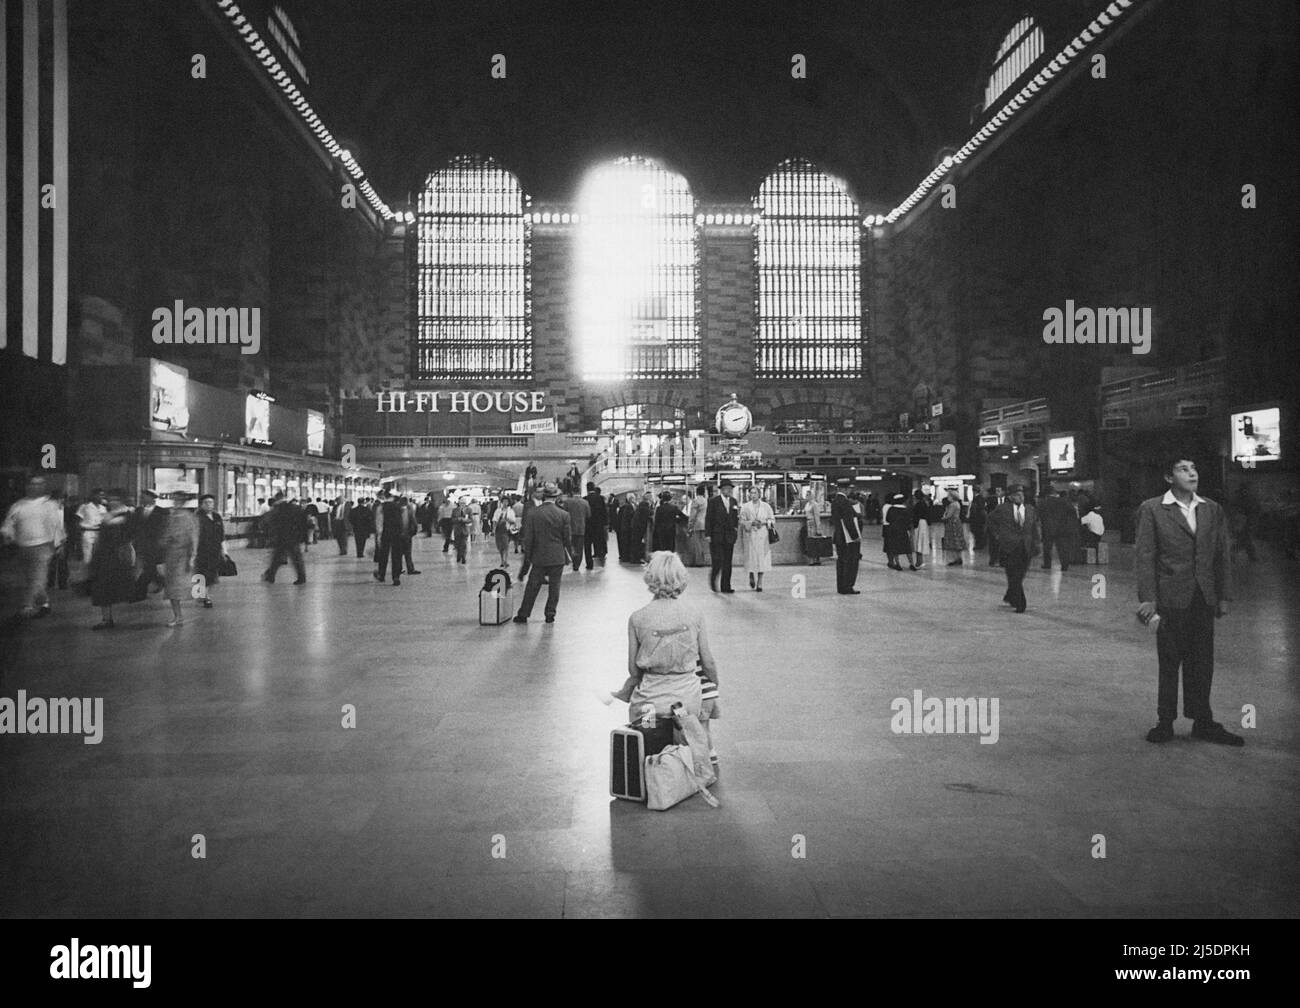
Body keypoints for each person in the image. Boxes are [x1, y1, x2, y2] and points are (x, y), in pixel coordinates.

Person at [1136, 456, 1239, 746]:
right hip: (1170, 598)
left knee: (1202, 662)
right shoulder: (1153, 509)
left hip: (1202, 598)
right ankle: (1165, 721)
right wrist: (1148, 600)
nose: (1192, 473)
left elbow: (1222, 555)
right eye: (1183, 469)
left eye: (1194, 468)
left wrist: (1223, 595)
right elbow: (1145, 557)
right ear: (1169, 478)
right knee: (1170, 662)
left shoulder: (1211, 509)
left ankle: (1202, 721)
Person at [616, 551, 720, 766]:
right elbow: (708, 661)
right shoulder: (695, 614)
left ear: (650, 578)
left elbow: (633, 671)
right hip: (687, 701)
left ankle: (650, 757)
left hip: (649, 703)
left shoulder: (637, 617)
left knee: (645, 728)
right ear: (681, 579)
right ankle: (690, 759)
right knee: (691, 729)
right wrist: (714, 683)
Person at [1, 476, 66, 619]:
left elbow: (57, 526)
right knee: (30, 578)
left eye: (39, 484)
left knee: (38, 576)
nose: (36, 487)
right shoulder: (18, 505)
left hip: (43, 545)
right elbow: (9, 523)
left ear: (43, 486)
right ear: (27, 486)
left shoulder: (50, 505)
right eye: (33, 484)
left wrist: (59, 544)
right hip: (23, 546)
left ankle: (27, 606)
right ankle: (45, 603)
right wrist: (7, 534)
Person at [513, 483, 572, 624]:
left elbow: (529, 538)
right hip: (557, 556)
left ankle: (524, 614)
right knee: (555, 586)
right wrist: (569, 553)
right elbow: (567, 538)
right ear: (556, 497)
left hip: (539, 556)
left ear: (544, 496)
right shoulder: (564, 514)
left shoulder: (533, 513)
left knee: (532, 586)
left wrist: (529, 556)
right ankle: (550, 614)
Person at [88, 490, 138, 630]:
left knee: (109, 585)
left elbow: (130, 535)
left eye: (115, 499)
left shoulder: (127, 515)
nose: (111, 501)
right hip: (104, 555)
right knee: (102, 586)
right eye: (110, 499)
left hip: (117, 555)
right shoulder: (109, 515)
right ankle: (106, 618)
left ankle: (107, 618)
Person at [987, 485, 1039, 613]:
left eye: (1021, 494)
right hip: (1009, 547)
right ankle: (1021, 603)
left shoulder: (1030, 509)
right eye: (1016, 494)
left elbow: (1034, 527)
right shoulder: (1002, 509)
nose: (1020, 496)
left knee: (1020, 575)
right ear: (1010, 497)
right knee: (1013, 575)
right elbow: (990, 520)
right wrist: (998, 535)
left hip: (1025, 547)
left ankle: (1010, 595)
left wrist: (1036, 542)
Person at [159, 489, 200, 625]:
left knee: (177, 586)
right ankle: (177, 616)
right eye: (174, 499)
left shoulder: (188, 517)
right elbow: (166, 535)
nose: (175, 502)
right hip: (171, 555)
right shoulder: (172, 515)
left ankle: (178, 616)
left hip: (182, 556)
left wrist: (192, 556)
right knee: (172, 587)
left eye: (178, 499)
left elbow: (193, 537)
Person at [262, 493, 308, 586]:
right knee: (296, 558)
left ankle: (270, 576)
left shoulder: (277, 509)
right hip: (293, 537)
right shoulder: (295, 508)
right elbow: (303, 521)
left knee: (277, 558)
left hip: (281, 537)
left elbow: (269, 522)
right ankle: (301, 577)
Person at [705, 479, 740, 593]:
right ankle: (713, 580)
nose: (729, 491)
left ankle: (726, 586)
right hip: (717, 535)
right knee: (718, 560)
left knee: (728, 562)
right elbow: (708, 518)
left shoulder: (734, 502)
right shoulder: (713, 501)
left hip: (729, 536)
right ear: (721, 490)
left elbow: (735, 517)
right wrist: (708, 534)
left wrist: (735, 529)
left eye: (730, 489)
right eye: (726, 489)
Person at [739, 485, 775, 591]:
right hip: (750, 535)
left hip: (762, 535)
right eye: (751, 493)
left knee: (761, 558)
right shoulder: (745, 507)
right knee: (751, 557)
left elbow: (772, 519)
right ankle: (751, 575)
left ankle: (760, 581)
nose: (753, 495)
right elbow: (741, 521)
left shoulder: (766, 506)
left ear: (759, 494)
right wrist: (751, 523)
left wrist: (764, 522)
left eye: (755, 493)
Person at [194, 493, 227, 609]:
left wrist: (224, 550)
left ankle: (203, 594)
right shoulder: (198, 517)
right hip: (201, 550)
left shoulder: (217, 517)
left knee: (212, 574)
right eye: (206, 502)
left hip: (215, 550)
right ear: (201, 504)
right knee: (202, 573)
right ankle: (205, 596)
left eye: (211, 502)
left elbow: (221, 534)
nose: (209, 505)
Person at [829, 485, 863, 593]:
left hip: (839, 537)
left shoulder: (834, 501)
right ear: (844, 489)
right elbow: (849, 521)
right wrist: (855, 536)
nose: (850, 491)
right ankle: (848, 586)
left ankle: (841, 587)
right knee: (851, 562)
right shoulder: (845, 502)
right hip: (847, 538)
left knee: (841, 561)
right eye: (849, 489)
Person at [1037, 487, 1074, 571]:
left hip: (1048, 528)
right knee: (1062, 547)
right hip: (1062, 528)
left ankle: (1047, 564)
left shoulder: (1043, 503)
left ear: (1046, 494)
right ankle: (1064, 565)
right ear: (1054, 493)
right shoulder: (1064, 501)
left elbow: (1039, 515)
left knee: (1047, 548)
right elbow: (1072, 512)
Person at [557, 486, 591, 572]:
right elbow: (588, 515)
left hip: (570, 528)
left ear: (572, 492)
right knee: (579, 548)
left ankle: (572, 560)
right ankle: (577, 565)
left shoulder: (567, 502)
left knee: (571, 546)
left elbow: (563, 514)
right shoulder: (585, 502)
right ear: (580, 492)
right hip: (581, 528)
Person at [882, 492, 913, 570]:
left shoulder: (891, 509)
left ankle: (898, 564)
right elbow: (909, 521)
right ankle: (911, 563)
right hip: (903, 531)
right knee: (907, 548)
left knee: (895, 548)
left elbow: (887, 519)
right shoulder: (906, 509)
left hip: (893, 530)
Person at [1229, 484, 1260, 562]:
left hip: (1244, 520)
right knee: (1245, 539)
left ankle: (1250, 555)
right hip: (1243, 520)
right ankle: (1250, 556)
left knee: (1245, 539)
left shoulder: (1241, 498)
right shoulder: (1242, 499)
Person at [652, 490, 688, 554]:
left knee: (662, 547)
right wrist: (676, 520)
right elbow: (683, 517)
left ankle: (663, 561)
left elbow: (657, 520)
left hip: (661, 530)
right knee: (671, 547)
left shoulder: (659, 508)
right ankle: (670, 561)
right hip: (671, 530)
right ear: (670, 499)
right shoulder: (674, 508)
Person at [584, 482, 608, 569]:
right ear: (594, 488)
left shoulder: (585, 499)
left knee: (587, 545)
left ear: (587, 489)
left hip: (588, 526)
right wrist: (605, 524)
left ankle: (589, 564)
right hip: (599, 525)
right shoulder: (600, 498)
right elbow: (605, 512)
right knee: (599, 543)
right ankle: (601, 562)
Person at [686, 483, 710, 567]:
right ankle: (704, 561)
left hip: (697, 524)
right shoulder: (706, 501)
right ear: (704, 492)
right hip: (706, 524)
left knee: (697, 544)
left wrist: (689, 526)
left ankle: (699, 562)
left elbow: (693, 515)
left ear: (696, 492)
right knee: (703, 544)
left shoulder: (696, 501)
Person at [941, 489, 965, 566]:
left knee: (952, 540)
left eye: (949, 496)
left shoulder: (952, 505)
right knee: (957, 540)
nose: (948, 497)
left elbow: (948, 515)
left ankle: (954, 559)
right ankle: (958, 557)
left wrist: (943, 517)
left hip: (952, 524)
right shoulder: (957, 504)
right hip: (957, 522)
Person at [910, 490, 931, 570]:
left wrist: (913, 525)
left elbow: (916, 516)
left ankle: (919, 561)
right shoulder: (924, 503)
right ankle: (920, 560)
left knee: (918, 542)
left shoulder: (918, 505)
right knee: (921, 541)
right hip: (924, 523)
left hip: (919, 523)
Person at [493, 497, 517, 568]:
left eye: (506, 502)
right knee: (500, 547)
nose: (505, 503)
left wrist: (507, 519)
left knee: (506, 545)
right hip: (498, 530)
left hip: (506, 530)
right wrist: (494, 529)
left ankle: (505, 561)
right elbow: (494, 520)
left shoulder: (511, 511)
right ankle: (502, 560)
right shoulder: (498, 511)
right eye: (504, 501)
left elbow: (513, 521)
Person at [986, 486, 1006, 566]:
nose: (997, 493)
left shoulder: (1008, 500)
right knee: (993, 543)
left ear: (1003, 492)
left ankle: (1003, 561)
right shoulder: (991, 500)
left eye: (999, 491)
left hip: (1004, 525)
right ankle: (993, 560)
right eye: (996, 491)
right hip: (994, 524)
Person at [630, 492, 653, 564]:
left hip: (636, 525)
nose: (652, 497)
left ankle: (635, 558)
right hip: (638, 526)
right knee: (637, 542)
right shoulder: (644, 504)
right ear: (648, 497)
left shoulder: (642, 503)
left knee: (636, 542)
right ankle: (635, 559)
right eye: (651, 496)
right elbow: (649, 513)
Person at [802, 492, 824, 565]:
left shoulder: (815, 504)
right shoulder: (807, 504)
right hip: (808, 523)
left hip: (813, 523)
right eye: (806, 495)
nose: (806, 496)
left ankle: (816, 559)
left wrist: (818, 527)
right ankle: (812, 559)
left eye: (808, 495)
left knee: (814, 541)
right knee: (810, 542)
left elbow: (817, 516)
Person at [451, 496, 471, 564]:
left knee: (464, 544)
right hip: (457, 529)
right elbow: (452, 519)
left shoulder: (469, 510)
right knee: (457, 544)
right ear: (459, 503)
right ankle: (458, 555)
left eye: (464, 503)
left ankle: (463, 557)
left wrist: (465, 520)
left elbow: (471, 519)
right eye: (461, 503)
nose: (463, 504)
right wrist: (458, 519)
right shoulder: (455, 510)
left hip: (465, 530)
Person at [616, 494, 635, 562]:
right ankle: (626, 557)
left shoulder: (623, 507)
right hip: (627, 528)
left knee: (623, 542)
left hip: (622, 527)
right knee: (627, 542)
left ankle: (623, 556)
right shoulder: (629, 506)